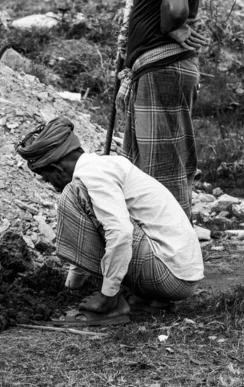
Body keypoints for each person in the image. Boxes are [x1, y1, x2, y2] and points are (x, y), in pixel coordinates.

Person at [17, 117, 204, 325]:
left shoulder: (91, 176)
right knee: (90, 206)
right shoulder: (104, 165)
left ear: (57, 169)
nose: (51, 186)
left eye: (47, 178)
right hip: (180, 274)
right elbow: (96, 229)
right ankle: (150, 299)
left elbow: (121, 232)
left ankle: (112, 305)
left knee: (70, 195)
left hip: (169, 273)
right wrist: (72, 285)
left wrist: (107, 294)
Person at [104, 0, 208, 219]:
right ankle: (158, 254)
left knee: (161, 178)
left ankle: (173, 259)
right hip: (156, 73)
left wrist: (171, 26)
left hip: (163, 72)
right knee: (147, 174)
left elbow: (176, 8)